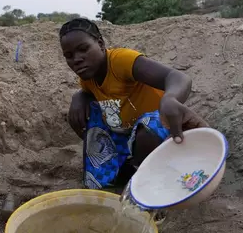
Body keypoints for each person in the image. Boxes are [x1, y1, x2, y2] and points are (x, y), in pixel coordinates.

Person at [60, 18, 207, 190]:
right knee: (84, 113)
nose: (77, 59)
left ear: (100, 44)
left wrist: (170, 99)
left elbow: (178, 78)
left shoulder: (120, 61)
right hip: (127, 132)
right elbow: (90, 94)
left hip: (161, 128)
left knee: (145, 133)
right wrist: (79, 97)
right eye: (68, 56)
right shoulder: (89, 76)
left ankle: (152, 176)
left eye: (83, 49)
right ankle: (123, 169)